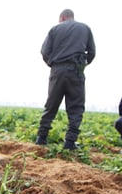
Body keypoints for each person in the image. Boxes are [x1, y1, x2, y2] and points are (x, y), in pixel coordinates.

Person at [36, 9, 96, 150]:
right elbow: (92, 52)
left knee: (51, 104)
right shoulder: (85, 28)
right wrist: (82, 65)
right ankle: (69, 142)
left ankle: (41, 138)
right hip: (76, 70)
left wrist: (53, 64)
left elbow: (44, 51)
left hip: (57, 70)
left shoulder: (55, 29)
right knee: (76, 107)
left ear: (62, 18)